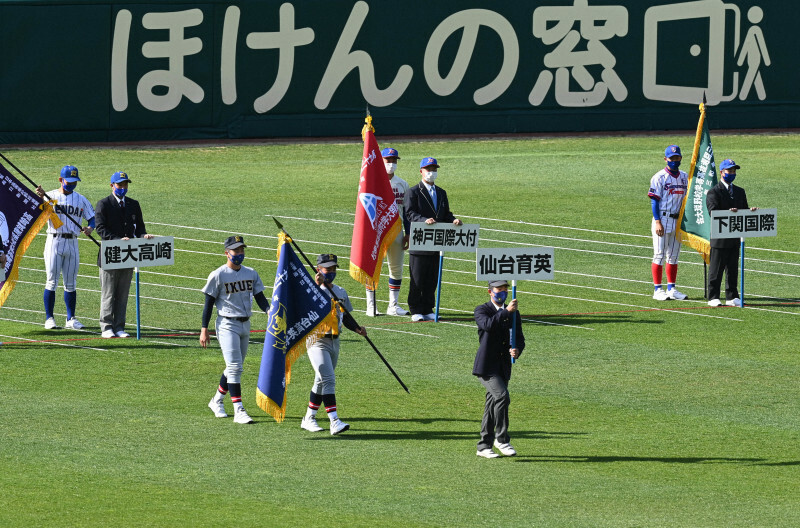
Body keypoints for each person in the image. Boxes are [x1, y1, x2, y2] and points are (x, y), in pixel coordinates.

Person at [201, 236, 270, 424]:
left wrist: (268, 310)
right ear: (226, 253)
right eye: (236, 251)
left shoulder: (251, 273)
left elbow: (260, 296)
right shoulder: (218, 275)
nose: (239, 254)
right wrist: (204, 328)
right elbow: (208, 303)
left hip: (245, 324)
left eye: (242, 250)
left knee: (234, 367)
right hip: (226, 324)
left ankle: (217, 400)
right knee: (235, 366)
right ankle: (238, 409)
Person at [301, 253, 367, 435]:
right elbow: (304, 310)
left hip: (335, 340)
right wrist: (316, 286)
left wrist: (357, 328)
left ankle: (309, 418)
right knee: (328, 379)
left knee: (321, 381)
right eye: (327, 269)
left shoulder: (340, 292)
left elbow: (345, 317)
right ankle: (334, 421)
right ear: (318, 270)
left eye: (333, 269)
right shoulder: (311, 290)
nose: (330, 272)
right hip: (317, 341)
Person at [35, 165, 95, 330]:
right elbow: (37, 211)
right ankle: (49, 318)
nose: (72, 184)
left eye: (75, 182)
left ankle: (71, 319)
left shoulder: (81, 199)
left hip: (73, 242)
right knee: (51, 281)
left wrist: (90, 228)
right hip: (54, 240)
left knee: (71, 283)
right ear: (61, 180)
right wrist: (41, 197)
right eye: (69, 181)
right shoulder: (50, 196)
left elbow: (92, 218)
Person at [94, 171, 154, 338]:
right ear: (112, 185)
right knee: (108, 293)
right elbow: (100, 229)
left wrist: (144, 236)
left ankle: (119, 326)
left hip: (129, 255)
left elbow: (139, 228)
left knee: (122, 294)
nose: (123, 188)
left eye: (125, 185)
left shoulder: (133, 204)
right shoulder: (104, 204)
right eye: (120, 185)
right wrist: (117, 240)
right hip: (110, 254)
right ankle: (106, 326)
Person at [405, 157, 462, 321]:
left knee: (431, 278)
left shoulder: (441, 193)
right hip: (420, 241)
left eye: (434, 170)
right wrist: (424, 220)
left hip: (437, 242)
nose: (431, 173)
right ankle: (415, 309)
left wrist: (453, 220)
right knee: (417, 278)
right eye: (428, 169)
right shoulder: (414, 191)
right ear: (421, 171)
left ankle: (428, 307)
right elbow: (410, 213)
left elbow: (446, 214)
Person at [473, 280, 525, 458]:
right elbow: (488, 326)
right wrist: (506, 312)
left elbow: (518, 337)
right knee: (502, 396)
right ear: (490, 292)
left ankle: (483, 446)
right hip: (487, 366)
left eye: (505, 290)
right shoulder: (482, 310)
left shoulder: (513, 313)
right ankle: (502, 439)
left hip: (503, 365)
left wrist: (516, 349)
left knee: (492, 404)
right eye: (498, 290)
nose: (502, 293)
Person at [365, 147, 411, 317]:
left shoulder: (402, 184)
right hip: (377, 230)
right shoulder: (373, 182)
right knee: (373, 267)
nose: (391, 164)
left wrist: (408, 232)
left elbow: (406, 211)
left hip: (397, 230)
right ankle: (371, 305)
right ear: (381, 161)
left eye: (394, 160)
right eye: (388, 160)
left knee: (396, 268)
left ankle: (393, 305)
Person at [706, 159, 757, 307]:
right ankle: (713, 296)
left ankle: (732, 296)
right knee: (716, 269)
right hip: (720, 236)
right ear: (722, 172)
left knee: (733, 269)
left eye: (734, 171)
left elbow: (744, 210)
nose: (732, 173)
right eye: (729, 171)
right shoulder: (714, 191)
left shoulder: (740, 191)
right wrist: (728, 213)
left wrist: (751, 212)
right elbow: (713, 212)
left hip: (735, 236)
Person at [648, 145, 689, 301]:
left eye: (677, 158)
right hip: (663, 218)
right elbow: (654, 201)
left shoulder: (685, 176)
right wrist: (657, 221)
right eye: (671, 158)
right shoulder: (659, 177)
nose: (674, 161)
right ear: (665, 159)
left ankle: (671, 288)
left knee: (673, 256)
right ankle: (657, 289)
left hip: (678, 220)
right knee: (659, 254)